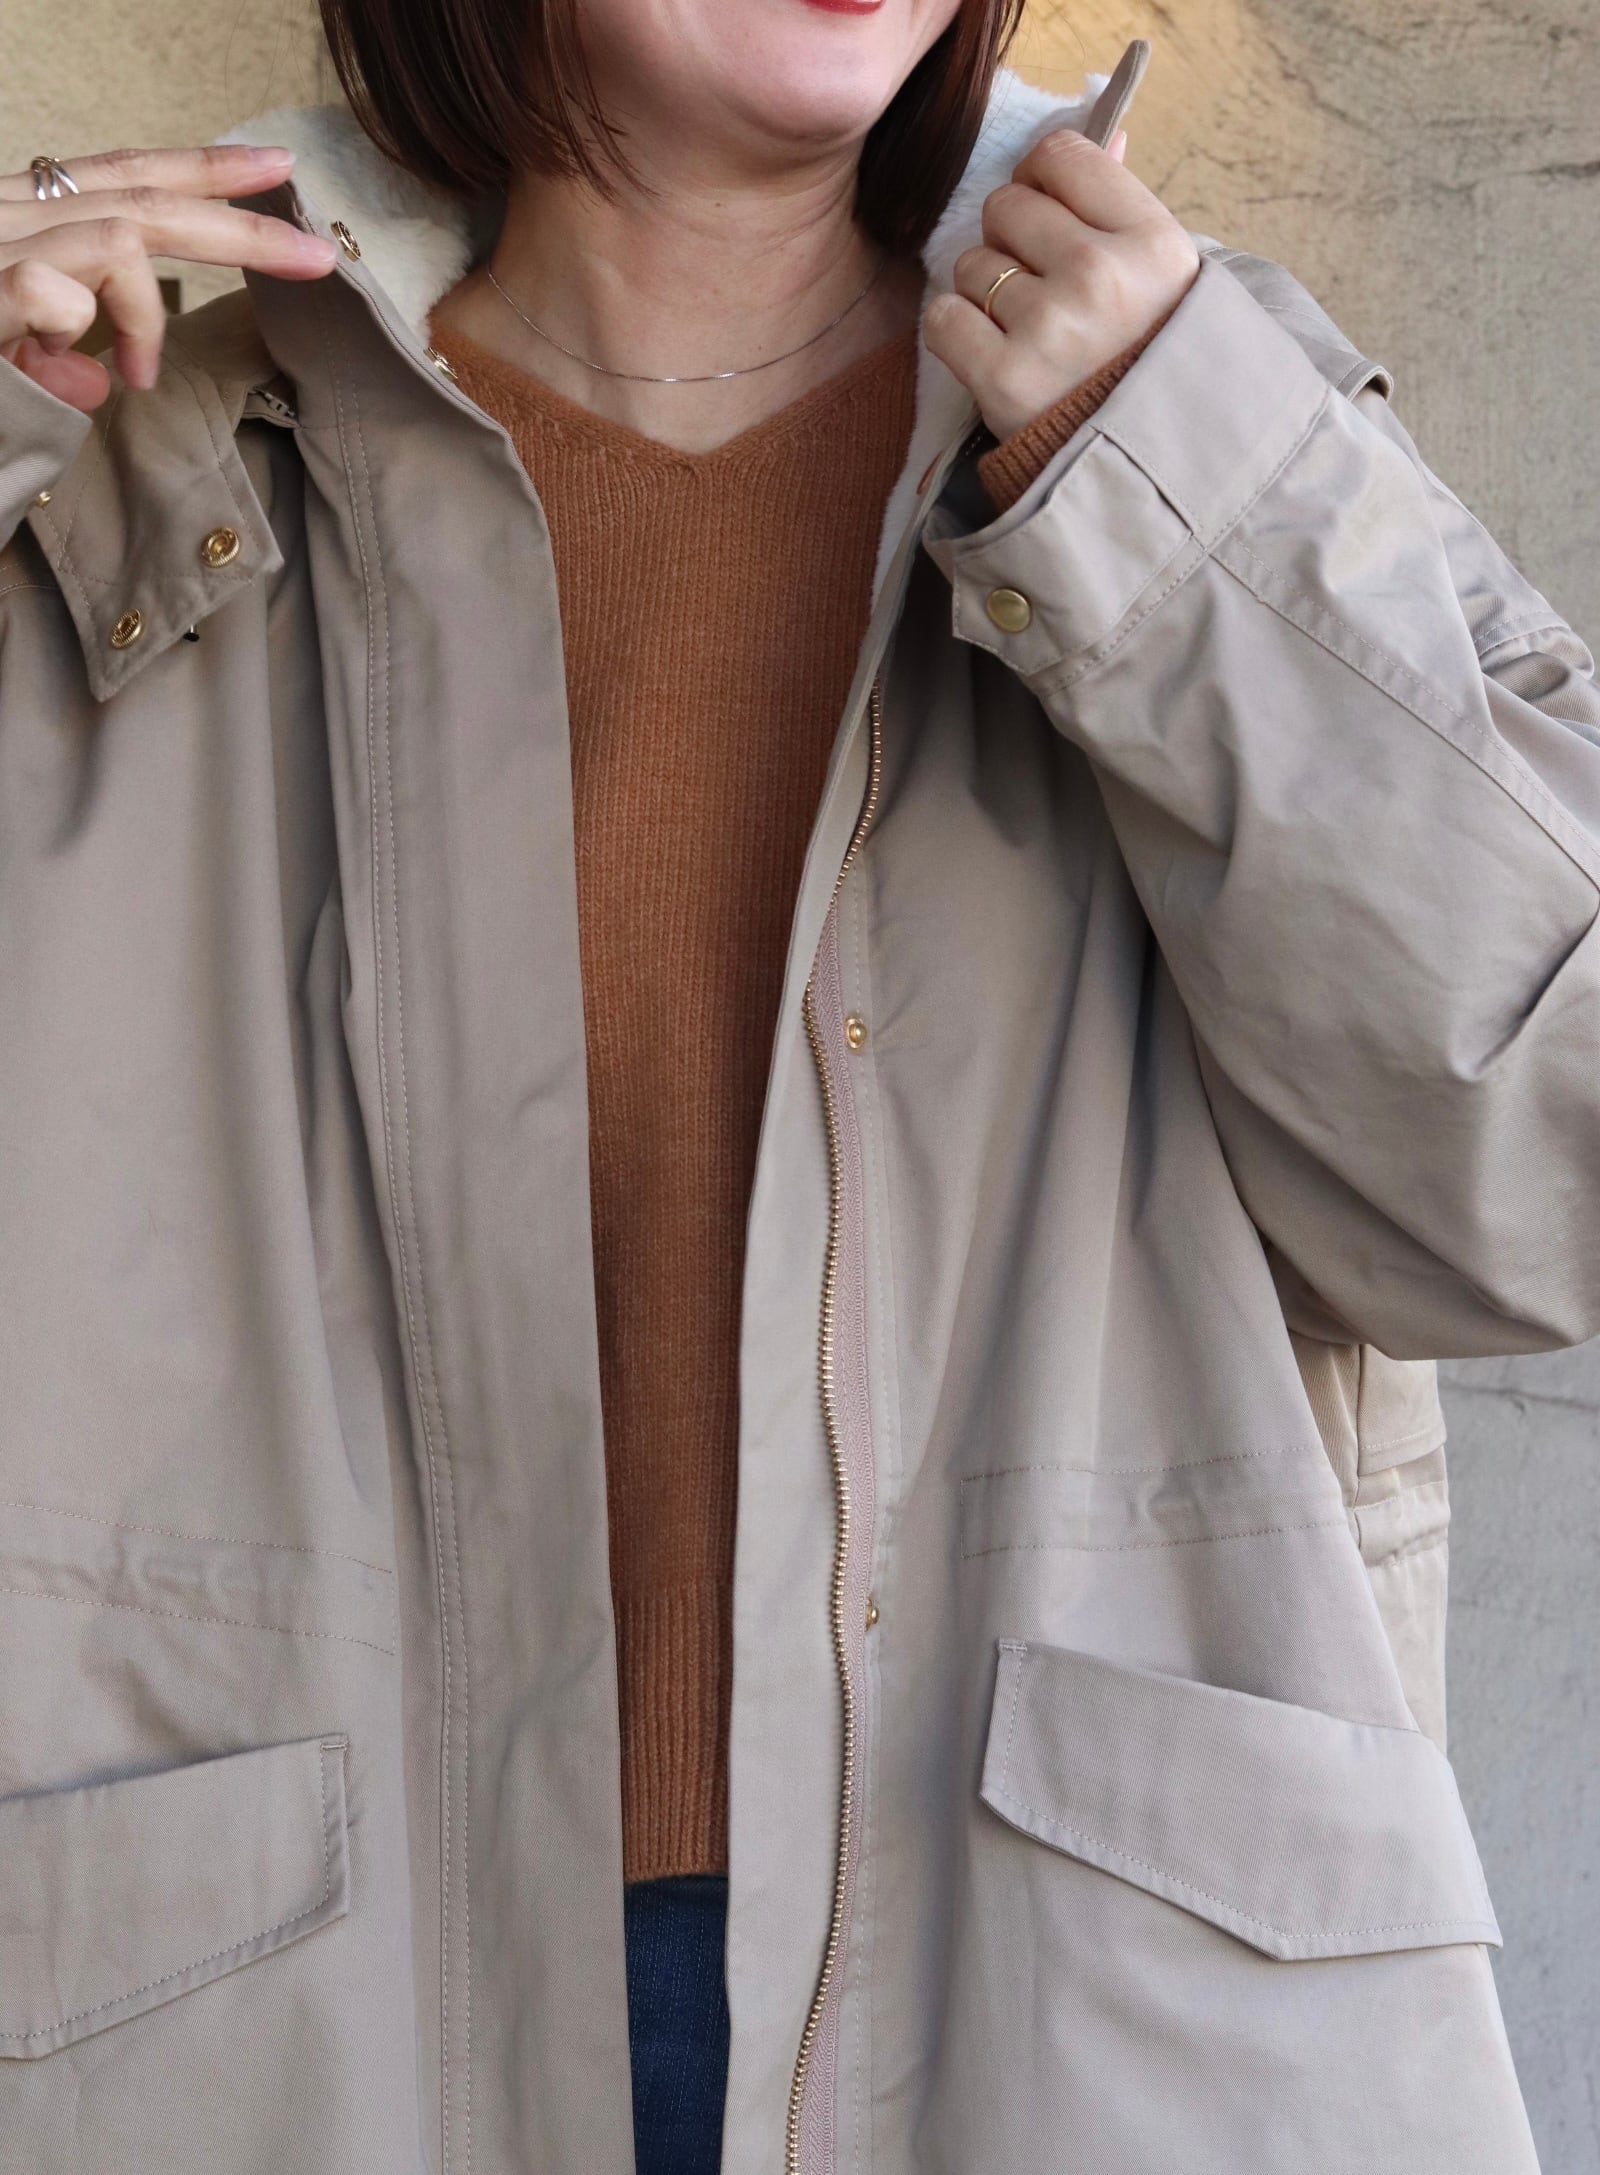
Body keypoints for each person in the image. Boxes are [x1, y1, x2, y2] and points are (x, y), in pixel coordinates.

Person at [0, 1, 1594, 2169]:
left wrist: (1177, 496)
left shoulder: (1190, 418)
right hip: (283, 2027)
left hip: (1067, 2024)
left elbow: (1538, 1174)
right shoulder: (129, 475)